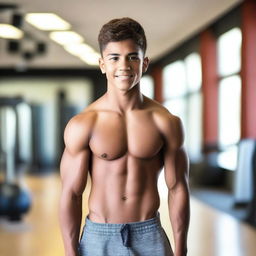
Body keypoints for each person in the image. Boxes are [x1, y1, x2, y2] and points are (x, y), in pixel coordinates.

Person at [59, 17, 190, 256]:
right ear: (102, 64)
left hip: (149, 234)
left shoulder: (166, 122)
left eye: (133, 57)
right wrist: (70, 252)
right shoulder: (84, 124)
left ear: (145, 63)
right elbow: (71, 193)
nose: (124, 66)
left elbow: (178, 188)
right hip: (99, 236)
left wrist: (181, 250)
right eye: (114, 58)